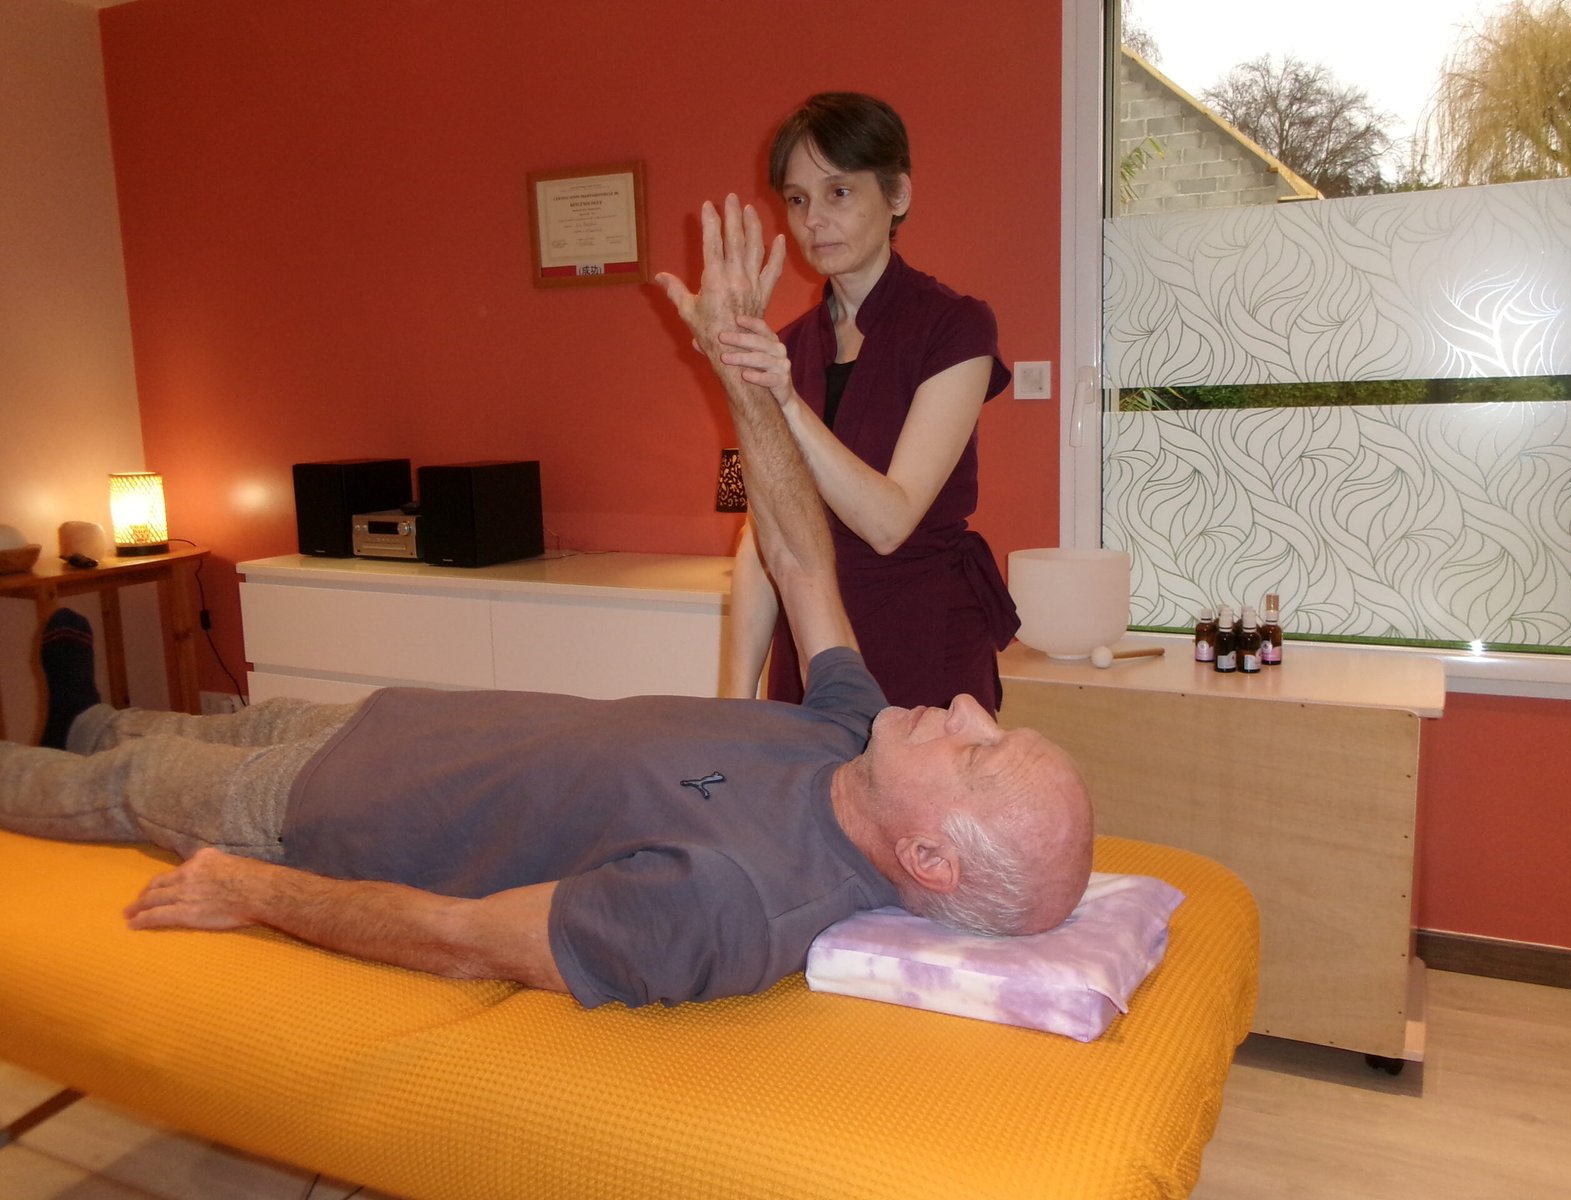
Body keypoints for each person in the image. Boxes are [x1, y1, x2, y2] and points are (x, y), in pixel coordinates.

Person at [0, 197, 1092, 1009]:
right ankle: (86, 714)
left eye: (979, 752)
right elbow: (805, 564)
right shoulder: (855, 738)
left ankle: (73, 751)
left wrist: (254, 893)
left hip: (327, 813)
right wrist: (742, 374)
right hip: (399, 726)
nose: (967, 708)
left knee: (125, 786)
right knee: (155, 729)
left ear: (929, 861)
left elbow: (469, 939)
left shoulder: (736, 901)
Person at [715, 92, 1019, 715]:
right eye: (797, 199)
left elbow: (888, 523)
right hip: (812, 649)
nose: (813, 220)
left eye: (839, 192)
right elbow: (761, 538)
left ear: (897, 194)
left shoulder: (956, 328)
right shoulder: (788, 347)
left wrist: (785, 401)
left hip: (920, 640)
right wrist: (734, 706)